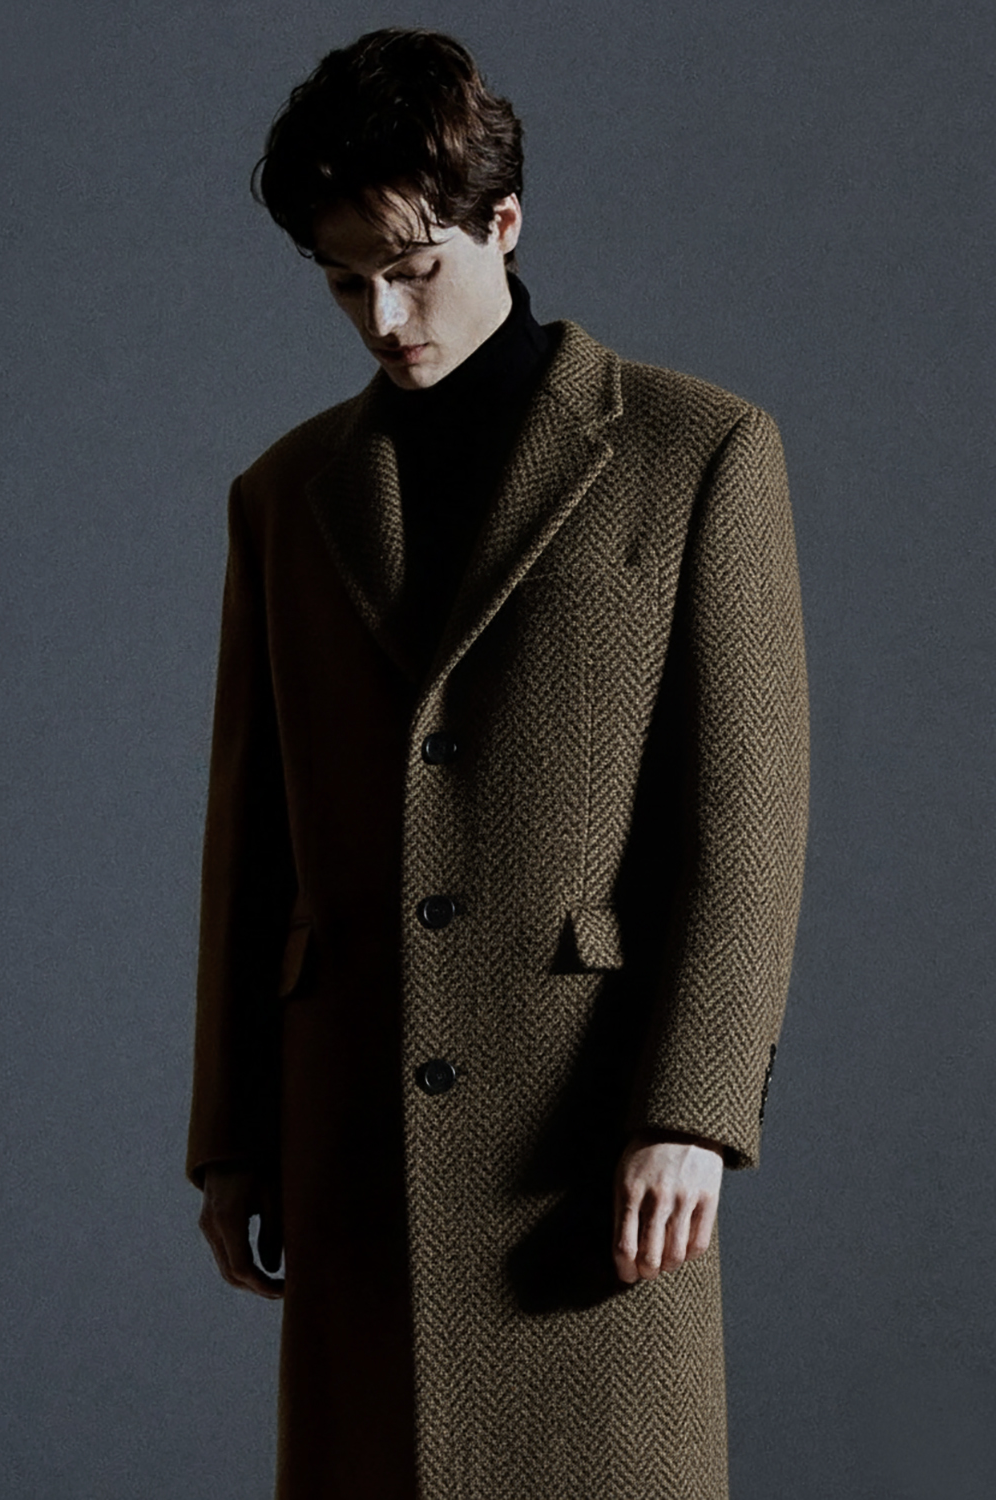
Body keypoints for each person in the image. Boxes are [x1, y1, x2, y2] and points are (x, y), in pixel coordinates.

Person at [187, 25, 809, 1500]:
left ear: (505, 222)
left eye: (414, 268)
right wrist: (232, 1137)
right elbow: (250, 835)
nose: (383, 316)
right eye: (346, 281)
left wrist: (695, 1110)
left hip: (584, 1140)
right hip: (352, 1138)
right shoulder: (285, 494)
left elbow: (747, 814)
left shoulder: (697, 452)